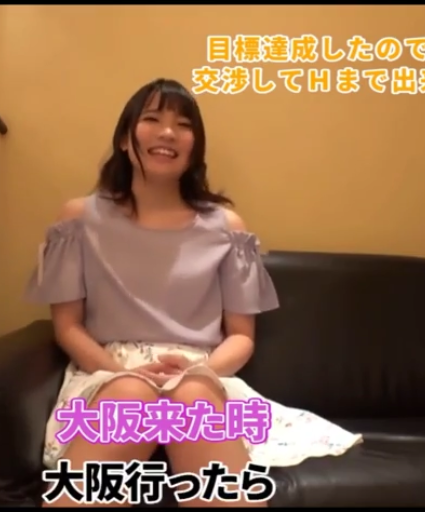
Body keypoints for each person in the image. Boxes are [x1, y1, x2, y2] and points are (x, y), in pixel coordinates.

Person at [25, 78, 363, 508]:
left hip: (199, 374)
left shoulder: (227, 228)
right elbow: (68, 327)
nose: (168, 133)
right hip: (107, 372)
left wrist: (198, 371)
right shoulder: (78, 219)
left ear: (195, 146)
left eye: (183, 125)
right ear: (125, 138)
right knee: (131, 397)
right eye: (152, 119)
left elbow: (241, 337)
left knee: (191, 400)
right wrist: (121, 373)